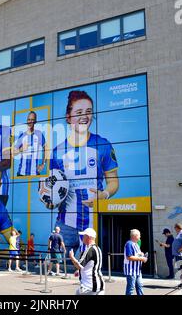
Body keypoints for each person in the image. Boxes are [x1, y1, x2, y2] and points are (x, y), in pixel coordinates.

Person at [47, 90, 119, 254]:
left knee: (92, 265)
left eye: (88, 112)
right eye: (78, 112)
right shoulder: (57, 151)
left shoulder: (103, 145)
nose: (84, 116)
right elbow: (54, 187)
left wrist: (104, 194)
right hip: (65, 223)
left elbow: (113, 181)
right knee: (60, 268)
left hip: (94, 221)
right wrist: (50, 201)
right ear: (68, 117)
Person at [69, 228, 104, 295]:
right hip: (99, 284)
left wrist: (72, 257)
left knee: (78, 293)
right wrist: (79, 271)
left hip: (89, 286)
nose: (82, 238)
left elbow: (79, 266)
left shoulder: (89, 249)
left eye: (84, 236)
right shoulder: (97, 248)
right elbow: (91, 265)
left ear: (88, 237)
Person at [13, 111, 47, 176]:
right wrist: (20, 150)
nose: (30, 122)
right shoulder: (22, 135)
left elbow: (47, 149)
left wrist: (43, 164)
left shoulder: (39, 134)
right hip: (21, 173)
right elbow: (14, 153)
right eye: (28, 119)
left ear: (35, 121)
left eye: (32, 120)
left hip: (34, 174)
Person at [124, 229, 148, 295]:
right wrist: (142, 258)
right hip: (131, 270)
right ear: (135, 236)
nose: (140, 237)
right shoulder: (129, 244)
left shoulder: (136, 244)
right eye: (139, 235)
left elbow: (136, 254)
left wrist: (142, 254)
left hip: (137, 270)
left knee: (139, 287)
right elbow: (129, 257)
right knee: (131, 288)